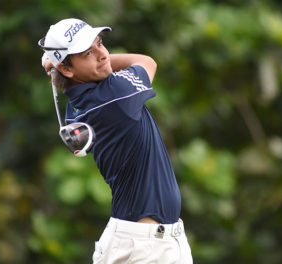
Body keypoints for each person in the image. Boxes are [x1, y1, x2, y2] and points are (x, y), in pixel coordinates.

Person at [38, 18, 193, 264]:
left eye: (100, 44)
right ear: (68, 70)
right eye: (88, 52)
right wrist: (57, 64)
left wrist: (60, 65)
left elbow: (97, 68)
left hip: (153, 242)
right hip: (144, 247)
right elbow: (146, 61)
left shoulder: (78, 103)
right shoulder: (116, 95)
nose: (102, 54)